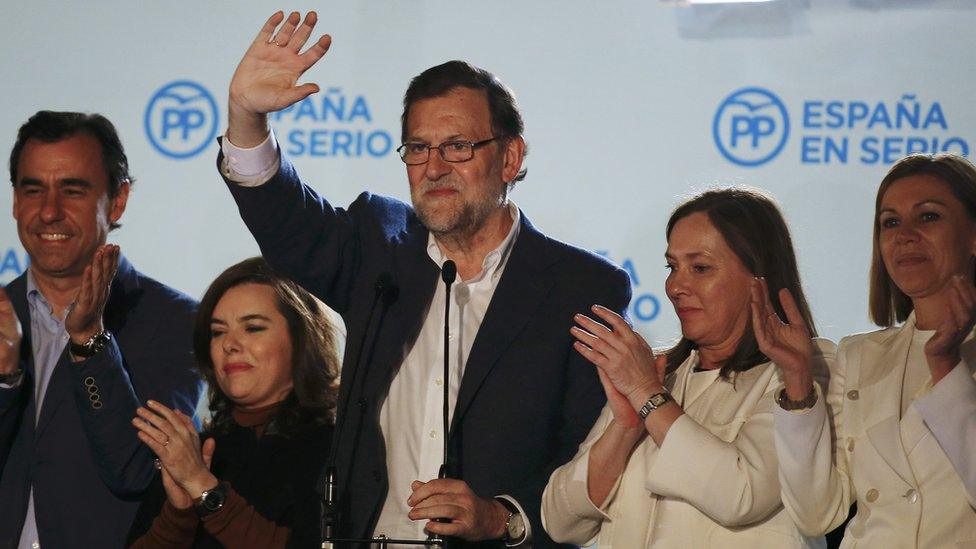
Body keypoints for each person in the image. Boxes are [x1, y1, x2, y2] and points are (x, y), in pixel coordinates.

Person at [218, 11, 631, 547]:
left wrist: (501, 517)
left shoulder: (579, 288)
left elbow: (587, 463)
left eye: (458, 146)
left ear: (510, 157)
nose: (433, 167)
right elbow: (288, 223)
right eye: (418, 148)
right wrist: (245, 117)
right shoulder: (378, 247)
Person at [542, 188, 834, 548]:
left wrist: (648, 397)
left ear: (758, 279)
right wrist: (624, 427)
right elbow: (560, 522)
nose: (676, 286)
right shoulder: (660, 372)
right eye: (672, 266)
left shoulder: (807, 371)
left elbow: (740, 495)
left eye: (700, 268)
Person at [0, 111, 202, 548]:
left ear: (117, 200)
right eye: (33, 189)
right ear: (15, 201)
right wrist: (5, 381)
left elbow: (135, 470)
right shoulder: (1, 315)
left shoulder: (176, 322)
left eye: (72, 190)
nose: (49, 212)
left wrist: (89, 341)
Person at [772, 153, 976, 547]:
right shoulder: (859, 355)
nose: (905, 235)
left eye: (928, 216)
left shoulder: (956, 356)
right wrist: (797, 381)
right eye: (891, 222)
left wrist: (946, 364)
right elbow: (816, 514)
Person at [126, 257, 340, 548]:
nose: (230, 344)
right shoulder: (196, 450)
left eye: (252, 328)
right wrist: (178, 514)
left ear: (301, 338)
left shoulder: (335, 448)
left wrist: (202, 487)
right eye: (218, 332)